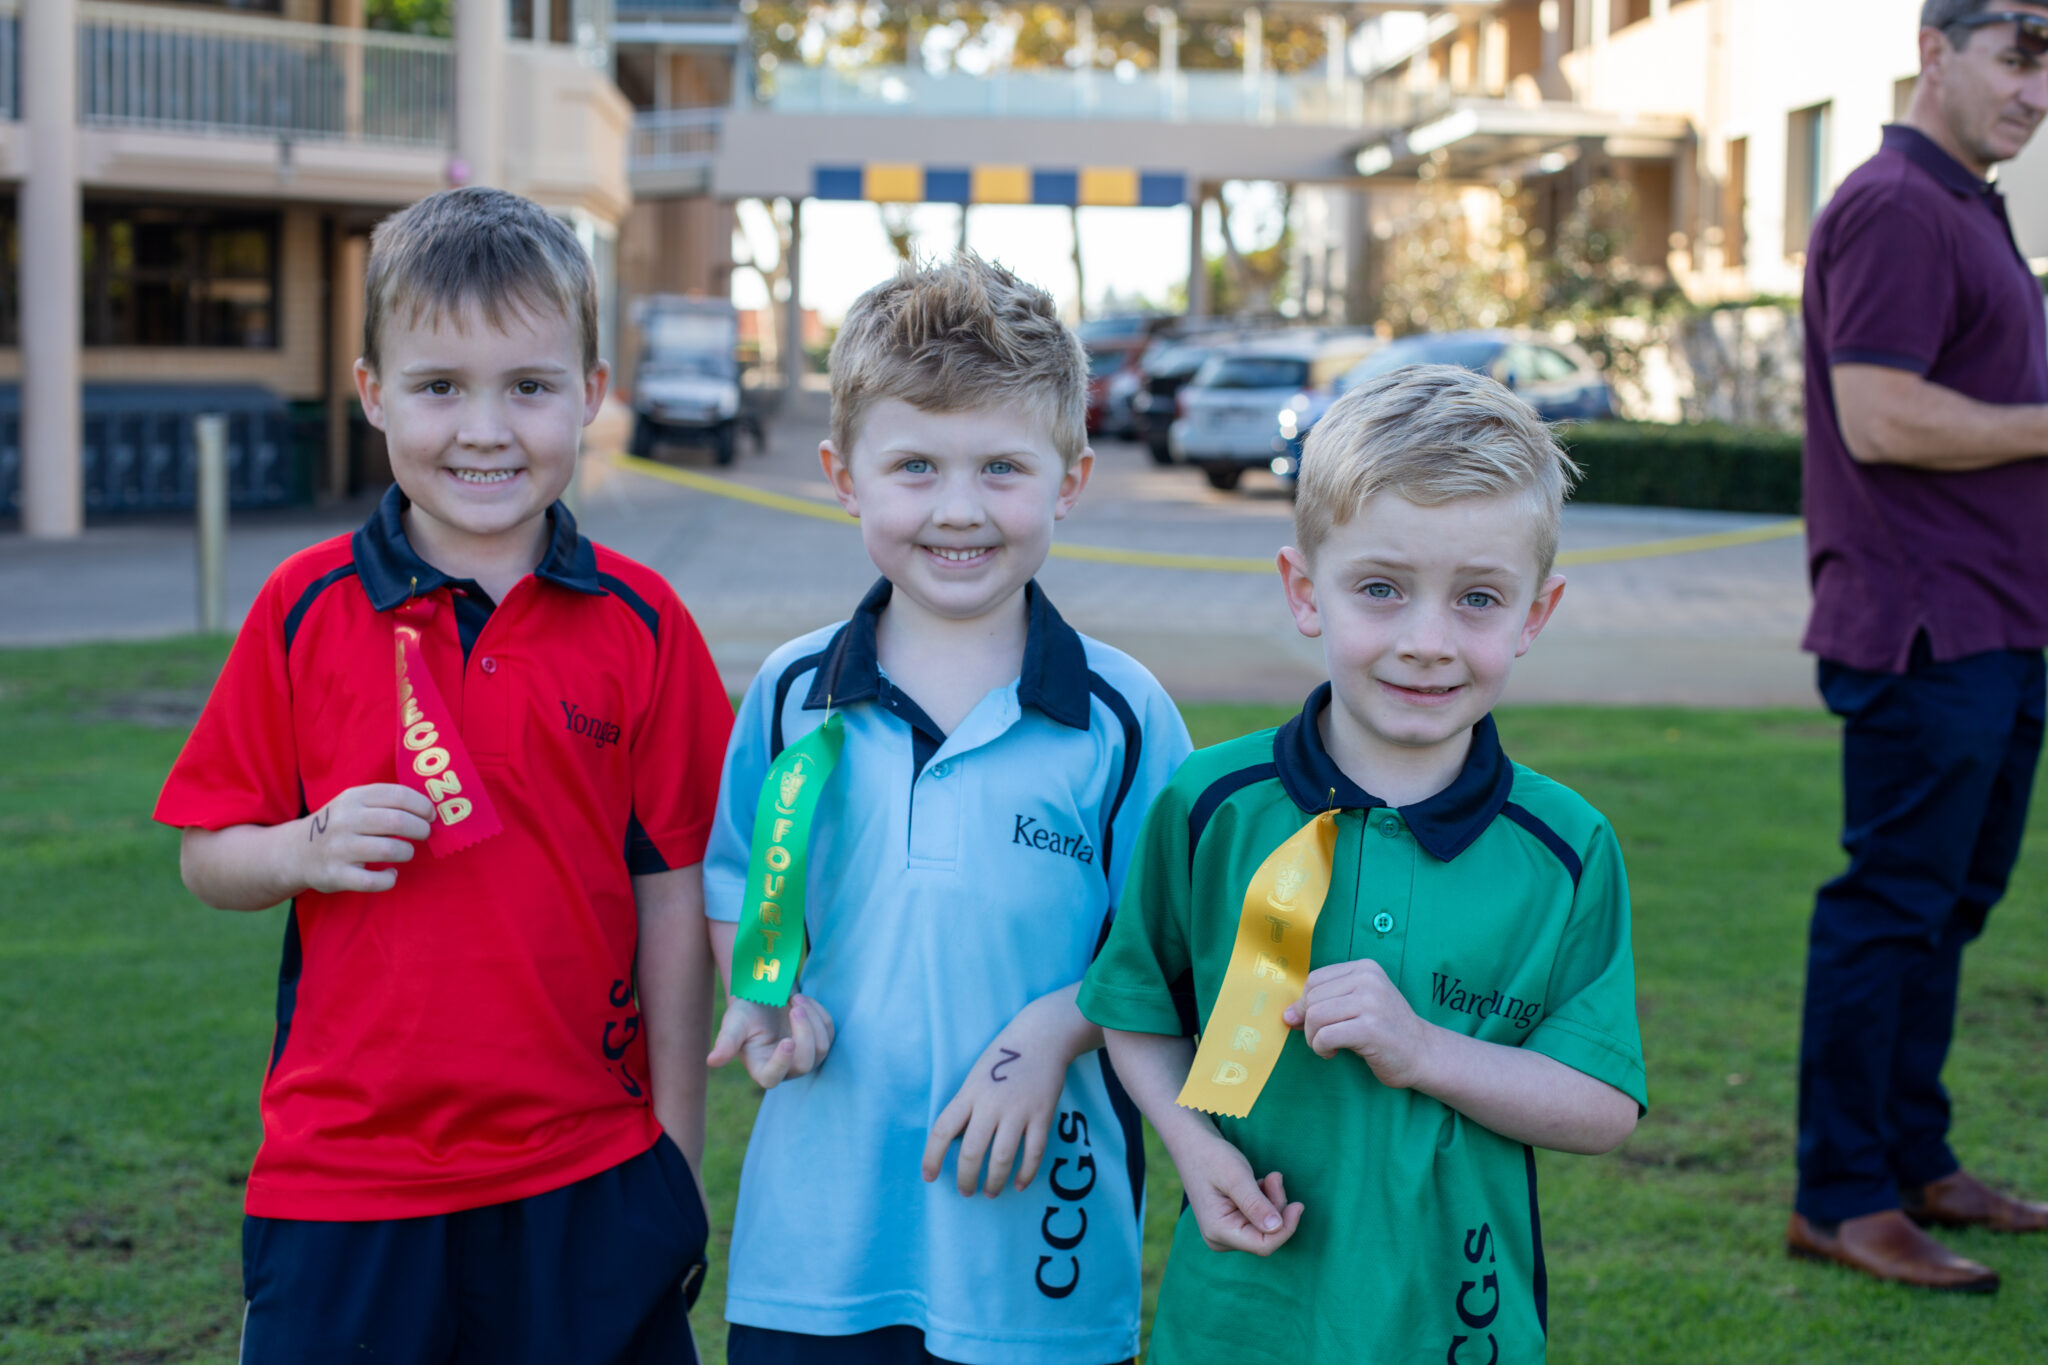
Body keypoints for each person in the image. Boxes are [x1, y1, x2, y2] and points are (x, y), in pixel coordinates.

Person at [154, 187, 732, 1362]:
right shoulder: (301, 608)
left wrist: (674, 1148)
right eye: (438, 388)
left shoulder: (644, 622)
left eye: (527, 387)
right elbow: (207, 857)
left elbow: (675, 892)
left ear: (591, 394)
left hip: (587, 1171)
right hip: (343, 1183)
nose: (485, 430)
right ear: (373, 394)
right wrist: (299, 847)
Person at [1079, 365, 1645, 1363]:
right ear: (1305, 590)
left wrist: (1423, 1051)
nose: (1426, 643)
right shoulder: (1209, 807)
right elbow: (1133, 1013)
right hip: (1236, 1317)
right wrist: (1193, 1144)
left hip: (1454, 1320)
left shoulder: (1566, 849)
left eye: (1476, 598)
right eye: (1380, 590)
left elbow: (1599, 1106)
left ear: (1534, 614)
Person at [701, 253, 1191, 1365]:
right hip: (812, 1253)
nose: (958, 511)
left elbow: (1168, 948)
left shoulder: (1123, 717)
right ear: (843, 475)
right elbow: (735, 879)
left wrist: (1048, 1029)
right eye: (914, 465)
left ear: (1070, 478)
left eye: (1002, 469)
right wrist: (764, 990)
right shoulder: (788, 695)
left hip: (1035, 1249)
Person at [1788, 0, 2048, 1292]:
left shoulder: (1969, 206)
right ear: (1936, 51)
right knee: (1890, 910)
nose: (2038, 92)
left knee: (1948, 908)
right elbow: (1881, 418)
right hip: (1924, 626)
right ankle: (1839, 1195)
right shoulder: (1896, 205)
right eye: (2021, 57)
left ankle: (1912, 1157)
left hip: (1999, 623)